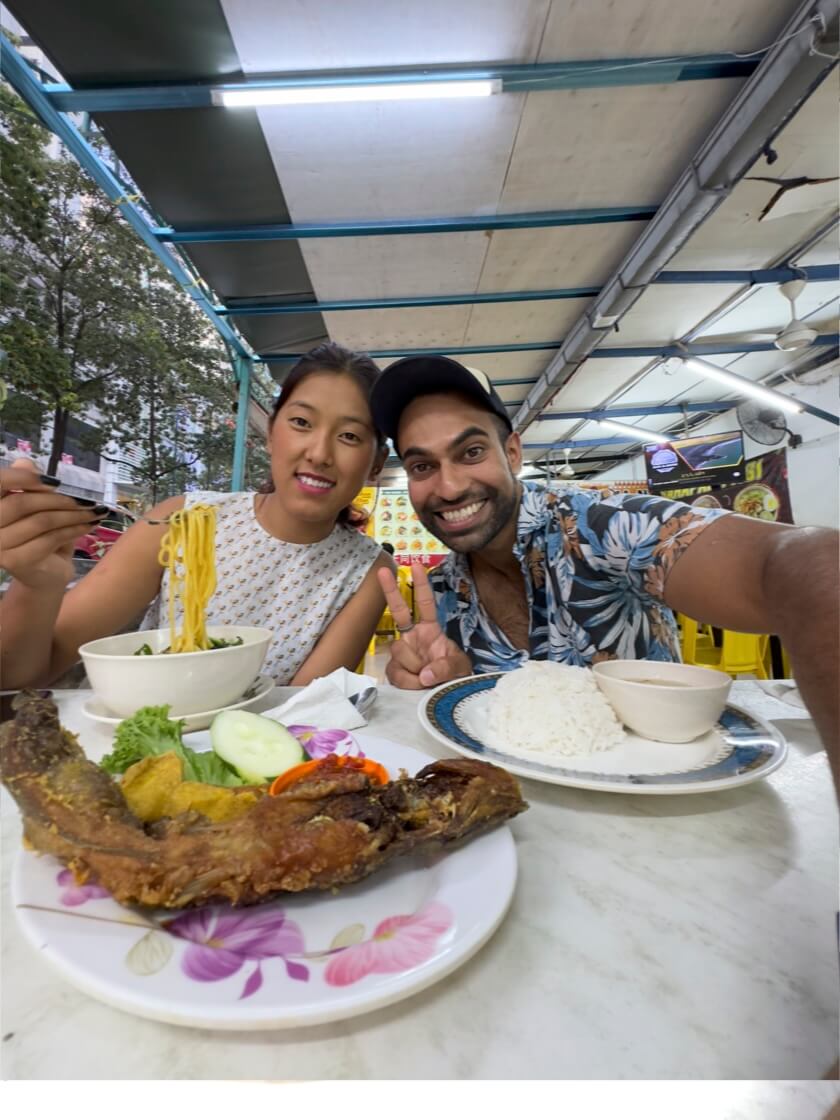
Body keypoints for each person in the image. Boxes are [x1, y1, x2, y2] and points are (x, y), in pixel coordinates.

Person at [371, 355, 839, 764]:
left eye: (471, 452)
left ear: (512, 452)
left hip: (667, 812)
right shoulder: (445, 593)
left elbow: (809, 562)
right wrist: (446, 684)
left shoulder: (601, 526)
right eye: (422, 466)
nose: (448, 487)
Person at [1, 343, 393, 688]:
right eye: (302, 423)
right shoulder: (185, 520)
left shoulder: (366, 572)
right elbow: (30, 672)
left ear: (375, 463)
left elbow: (302, 714)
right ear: (273, 433)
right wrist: (37, 587)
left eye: (350, 436)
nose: (320, 453)